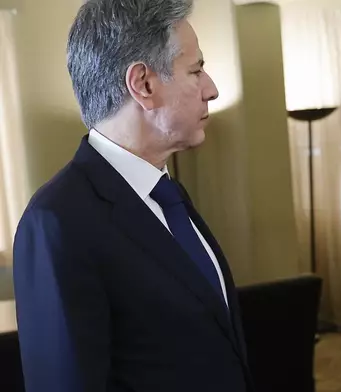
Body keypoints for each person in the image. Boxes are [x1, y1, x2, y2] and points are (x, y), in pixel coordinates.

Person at [12, 1, 252, 391]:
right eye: (196, 70)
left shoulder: (167, 194)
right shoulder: (57, 222)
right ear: (143, 84)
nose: (212, 89)